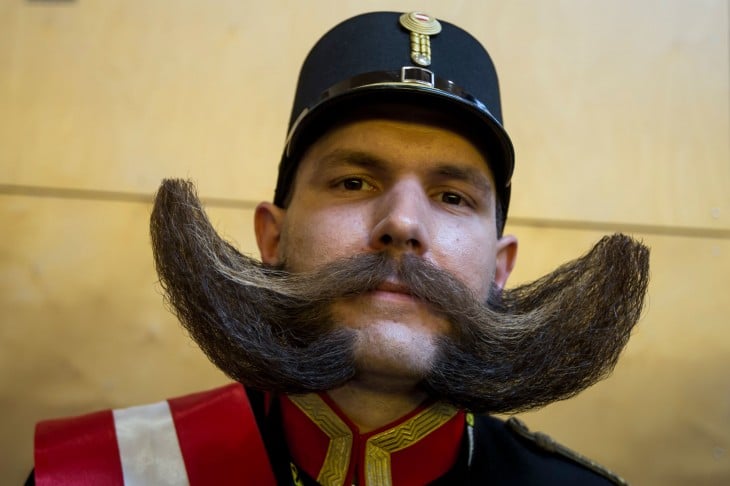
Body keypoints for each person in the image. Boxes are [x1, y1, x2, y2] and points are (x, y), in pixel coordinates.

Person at [30, 11, 649, 485]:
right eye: (354, 182)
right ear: (272, 238)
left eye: (454, 197)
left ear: (500, 269)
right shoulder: (105, 472)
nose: (402, 223)